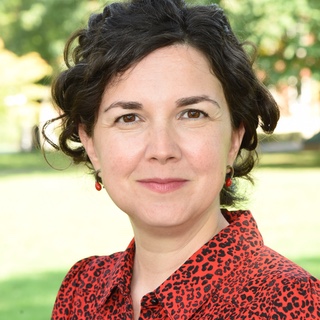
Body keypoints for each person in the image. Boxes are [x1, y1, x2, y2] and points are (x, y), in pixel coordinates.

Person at [45, 0, 320, 319]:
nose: (162, 149)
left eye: (192, 114)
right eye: (130, 118)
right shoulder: (82, 290)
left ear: (234, 138)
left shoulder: (292, 303)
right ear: (91, 143)